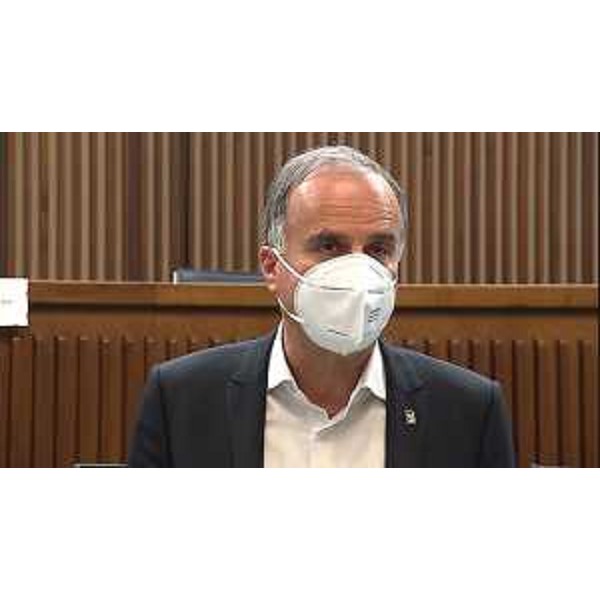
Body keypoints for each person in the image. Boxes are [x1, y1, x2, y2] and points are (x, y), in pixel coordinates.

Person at [128, 145, 515, 467]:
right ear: (272, 267)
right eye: (329, 247)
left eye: (378, 250)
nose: (357, 271)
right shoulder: (181, 400)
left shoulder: (468, 410)